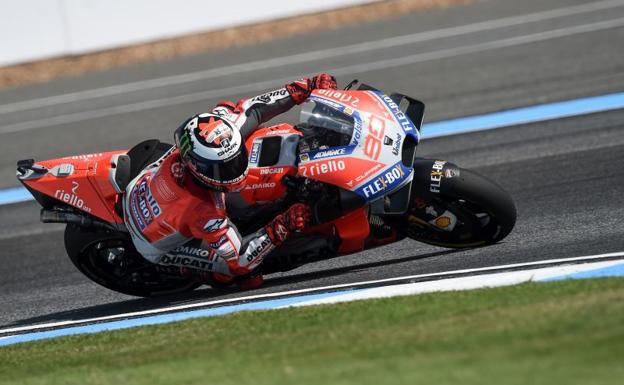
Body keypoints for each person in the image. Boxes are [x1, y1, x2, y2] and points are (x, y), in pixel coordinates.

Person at [122, 73, 338, 289]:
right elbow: (241, 259)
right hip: (152, 243)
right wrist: (282, 225)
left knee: (239, 120)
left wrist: (305, 88)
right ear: (199, 168)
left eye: (235, 160)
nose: (234, 169)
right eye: (224, 167)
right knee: (247, 277)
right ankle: (198, 272)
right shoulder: (203, 212)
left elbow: (254, 108)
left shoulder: (213, 131)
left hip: (146, 184)